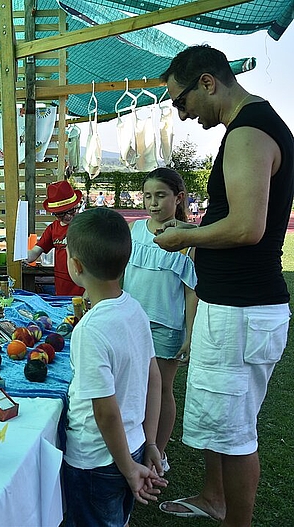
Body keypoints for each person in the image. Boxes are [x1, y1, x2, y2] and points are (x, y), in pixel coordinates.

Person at [155, 45, 293, 525]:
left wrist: (184, 237)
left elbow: (246, 227)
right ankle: (214, 498)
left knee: (235, 435)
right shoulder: (246, 128)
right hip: (230, 306)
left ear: (207, 82)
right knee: (220, 423)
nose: (183, 113)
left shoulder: (250, 133)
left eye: (181, 101)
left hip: (242, 310)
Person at [63, 207, 166, 526]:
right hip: (132, 447)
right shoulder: (135, 309)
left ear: (75, 266)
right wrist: (149, 443)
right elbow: (155, 380)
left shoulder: (90, 329)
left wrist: (127, 468)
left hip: (97, 461)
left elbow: (105, 412)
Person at [123, 168, 198, 475]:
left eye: (161, 195)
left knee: (162, 388)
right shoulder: (136, 230)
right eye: (148, 195)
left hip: (166, 326)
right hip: (130, 321)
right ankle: (133, 445)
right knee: (132, 386)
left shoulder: (189, 237)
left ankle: (158, 452)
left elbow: (191, 291)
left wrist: (190, 334)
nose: (152, 203)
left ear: (178, 197)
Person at [26, 180, 85, 296]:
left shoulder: (85, 225)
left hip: (84, 288)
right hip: (62, 289)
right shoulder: (53, 229)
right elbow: (35, 252)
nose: (68, 216)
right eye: (61, 214)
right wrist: (22, 256)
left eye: (72, 211)